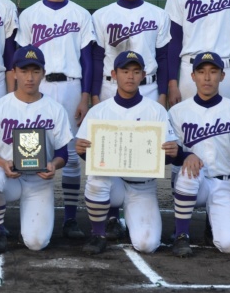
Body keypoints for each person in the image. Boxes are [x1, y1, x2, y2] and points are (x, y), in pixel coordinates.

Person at [16, 0, 98, 239]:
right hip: (37, 86)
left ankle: (71, 219)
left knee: (73, 156)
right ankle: (34, 211)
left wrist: (85, 95)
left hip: (71, 86)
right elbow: (20, 61)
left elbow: (88, 59)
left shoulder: (80, 14)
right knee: (32, 152)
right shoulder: (29, 15)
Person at [75, 50, 179, 255]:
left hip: (143, 187)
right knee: (96, 180)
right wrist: (82, 151)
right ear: (114, 75)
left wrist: (171, 152)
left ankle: (126, 220)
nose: (130, 76)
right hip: (113, 183)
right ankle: (98, 233)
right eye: (125, 71)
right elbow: (90, 155)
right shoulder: (99, 110)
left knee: (147, 245)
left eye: (135, 71)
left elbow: (165, 157)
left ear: (143, 75)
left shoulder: (156, 110)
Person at [0, 46, 74, 254]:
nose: (30, 77)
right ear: (15, 72)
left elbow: (63, 153)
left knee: (36, 243)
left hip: (39, 180)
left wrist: (54, 165)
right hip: (9, 177)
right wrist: (2, 163)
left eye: (35, 71)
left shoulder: (55, 109)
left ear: (43, 74)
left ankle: (28, 227)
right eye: (24, 71)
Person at [166, 52, 230, 257]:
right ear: (192, 76)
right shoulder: (177, 112)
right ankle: (181, 235)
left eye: (213, 72)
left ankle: (215, 225)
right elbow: (170, 155)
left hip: (225, 184)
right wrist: (185, 156)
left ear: (222, 76)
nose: (207, 77)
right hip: (194, 182)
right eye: (201, 72)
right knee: (188, 171)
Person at [91, 0, 171, 104]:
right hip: (110, 88)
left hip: (149, 88)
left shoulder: (159, 15)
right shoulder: (101, 16)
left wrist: (163, 94)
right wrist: (95, 94)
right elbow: (97, 58)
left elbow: (162, 58)